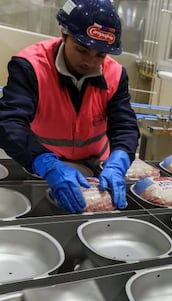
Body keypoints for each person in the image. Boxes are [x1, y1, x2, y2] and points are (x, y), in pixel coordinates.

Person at [0, 0, 139, 213]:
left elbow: (124, 126)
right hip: (44, 169)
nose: (91, 62)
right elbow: (9, 122)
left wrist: (119, 160)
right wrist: (46, 163)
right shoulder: (31, 67)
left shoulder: (116, 74)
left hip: (95, 172)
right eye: (82, 50)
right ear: (64, 35)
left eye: (100, 54)